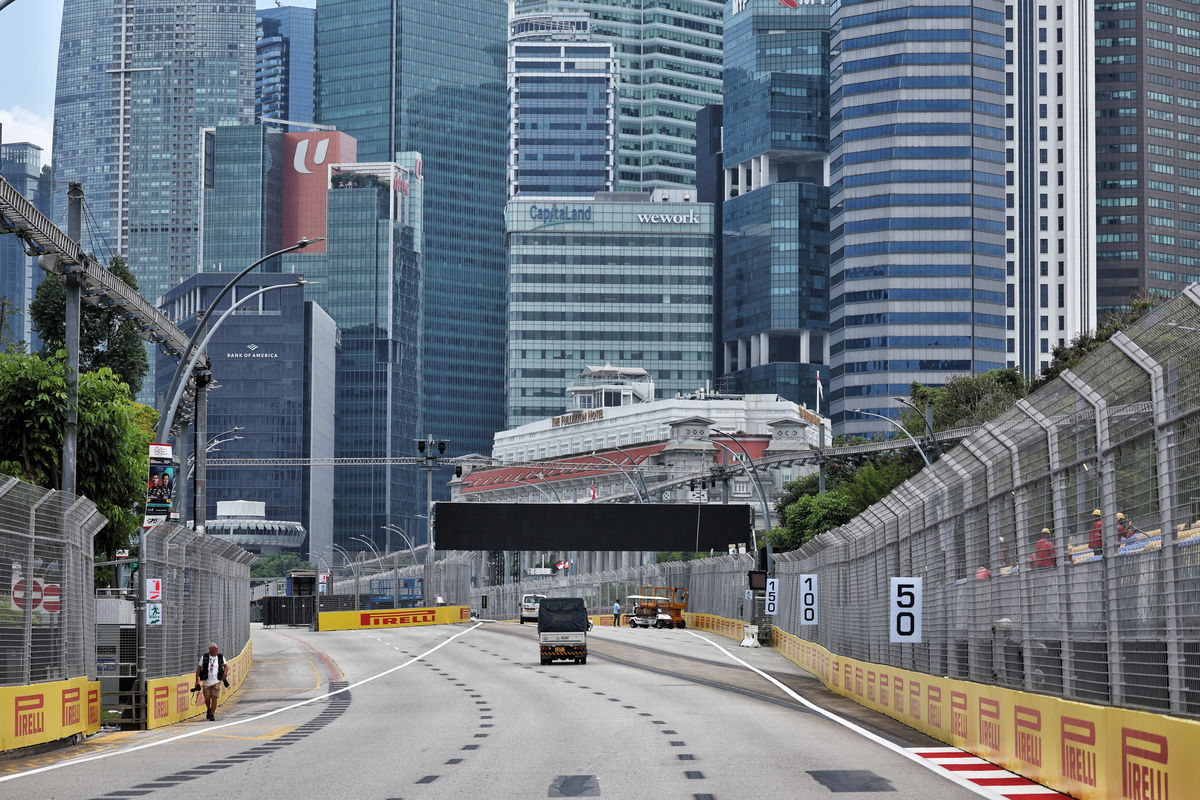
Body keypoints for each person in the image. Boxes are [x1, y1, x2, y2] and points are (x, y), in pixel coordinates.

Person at [195, 642, 228, 721]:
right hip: (206, 681)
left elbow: (226, 666)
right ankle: (208, 709)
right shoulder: (205, 657)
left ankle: (212, 714)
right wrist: (197, 680)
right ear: (210, 650)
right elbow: (199, 668)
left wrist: (225, 673)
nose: (217, 650)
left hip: (216, 681)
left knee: (214, 697)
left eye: (217, 649)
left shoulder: (220, 657)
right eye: (215, 649)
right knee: (207, 698)